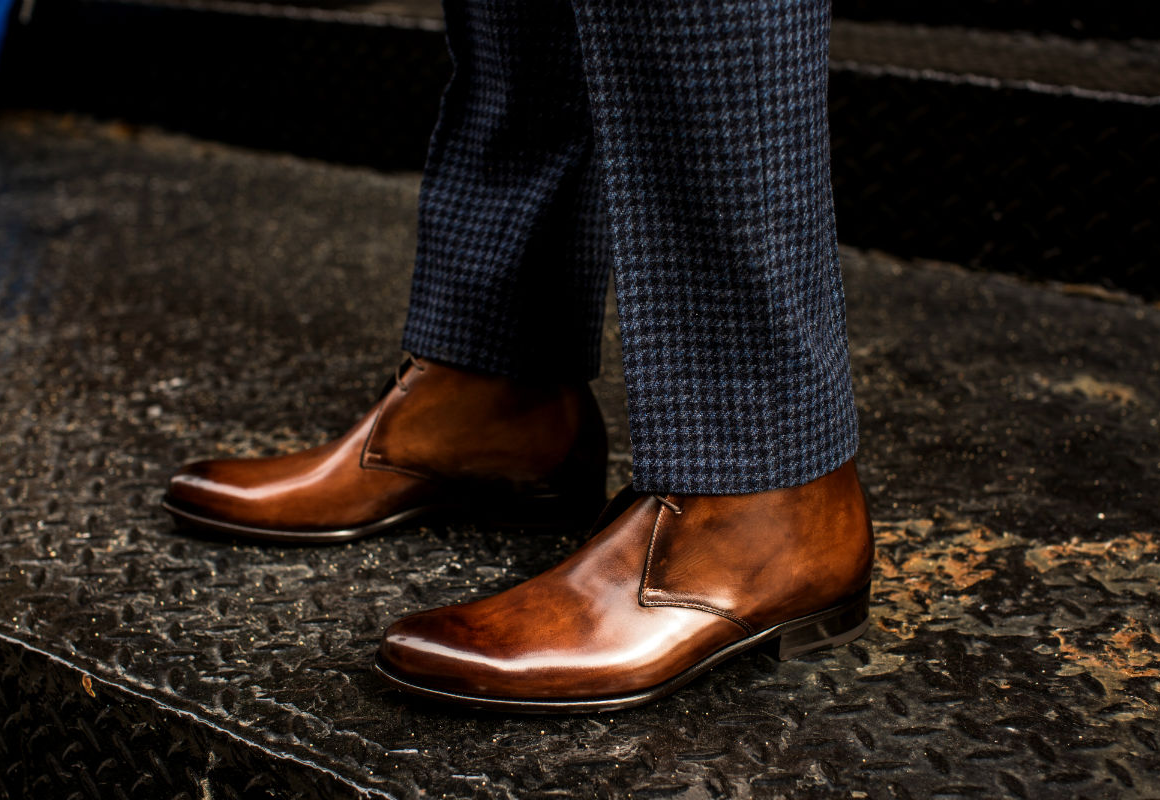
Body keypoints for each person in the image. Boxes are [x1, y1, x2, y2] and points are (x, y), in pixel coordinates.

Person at [163, 0, 873, 713]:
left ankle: (763, 490)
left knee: (694, 26)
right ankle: (495, 382)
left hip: (760, 480)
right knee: (515, 29)